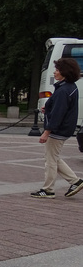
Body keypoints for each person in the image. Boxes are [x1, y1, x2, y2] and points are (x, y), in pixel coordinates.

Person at [31, 57, 83, 199]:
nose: (54, 72)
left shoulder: (63, 90)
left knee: (50, 160)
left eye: (57, 70)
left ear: (65, 72)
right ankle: (75, 181)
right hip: (64, 129)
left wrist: (47, 132)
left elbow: (59, 113)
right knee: (53, 157)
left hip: (58, 130)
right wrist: (47, 108)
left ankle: (48, 189)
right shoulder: (69, 87)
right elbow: (61, 108)